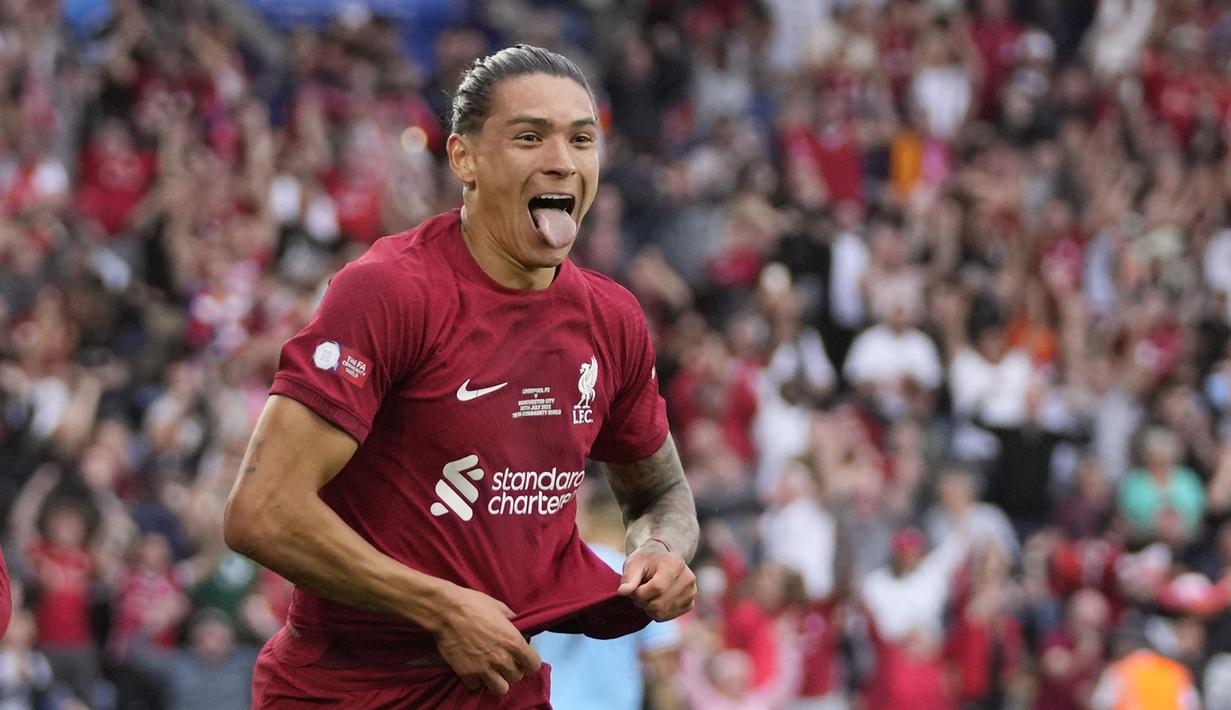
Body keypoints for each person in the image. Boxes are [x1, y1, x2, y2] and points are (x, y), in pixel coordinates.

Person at [223, 45, 700, 708]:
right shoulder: (391, 291)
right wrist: (440, 608)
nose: (562, 161)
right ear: (463, 158)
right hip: (348, 688)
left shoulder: (611, 318)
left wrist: (661, 549)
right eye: (529, 137)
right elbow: (262, 511)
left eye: (581, 139)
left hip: (500, 679)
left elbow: (660, 492)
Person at [532, 484, 682, 710]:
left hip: (552, 702)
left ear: (589, 519)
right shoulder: (640, 576)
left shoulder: (551, 571)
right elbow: (662, 667)